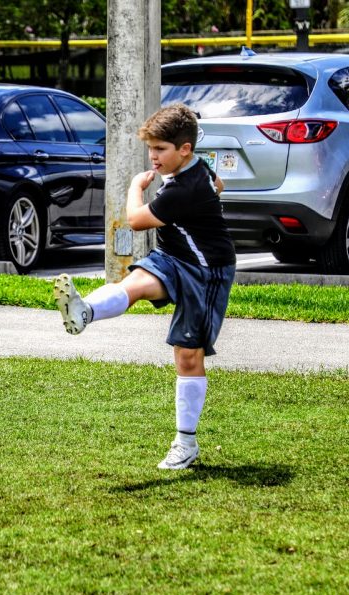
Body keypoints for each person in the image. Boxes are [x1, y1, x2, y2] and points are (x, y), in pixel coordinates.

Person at [52, 103, 236, 469]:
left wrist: (136, 186)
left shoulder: (185, 187)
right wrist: (215, 188)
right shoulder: (193, 169)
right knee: (134, 283)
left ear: (184, 149)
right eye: (150, 148)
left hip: (206, 272)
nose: (153, 156)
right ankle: (83, 310)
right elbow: (218, 182)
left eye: (160, 149)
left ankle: (186, 443)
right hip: (172, 257)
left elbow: (136, 220)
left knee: (187, 355)